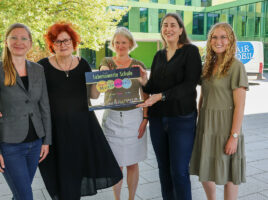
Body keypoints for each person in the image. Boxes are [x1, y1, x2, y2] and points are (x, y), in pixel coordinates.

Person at [37, 22, 122, 200]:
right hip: (56, 130)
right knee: (61, 175)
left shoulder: (83, 64)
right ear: (52, 44)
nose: (63, 45)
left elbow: (93, 94)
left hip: (82, 127)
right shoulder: (42, 66)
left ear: (73, 42)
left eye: (66, 40)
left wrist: (102, 82)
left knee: (76, 171)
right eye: (58, 41)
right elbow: (32, 95)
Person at [0, 23, 52, 200]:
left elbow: (44, 107)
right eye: (14, 37)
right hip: (9, 145)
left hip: (35, 143)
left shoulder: (38, 69)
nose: (18, 42)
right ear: (6, 41)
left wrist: (46, 141)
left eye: (23, 38)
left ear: (30, 43)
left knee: (20, 193)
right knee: (25, 196)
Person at [137, 13, 202, 200]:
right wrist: (144, 80)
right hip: (158, 120)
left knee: (179, 172)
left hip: (181, 119)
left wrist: (161, 96)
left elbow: (189, 85)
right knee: (164, 171)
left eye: (173, 25)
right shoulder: (158, 55)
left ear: (181, 29)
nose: (168, 29)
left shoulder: (190, 52)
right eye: (165, 25)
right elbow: (152, 88)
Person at [190, 22, 248, 200]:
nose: (218, 41)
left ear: (230, 40)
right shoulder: (208, 65)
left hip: (226, 127)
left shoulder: (236, 66)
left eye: (223, 37)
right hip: (206, 125)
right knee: (205, 169)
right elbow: (203, 96)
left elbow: (240, 105)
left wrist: (234, 136)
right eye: (214, 37)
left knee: (230, 174)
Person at [99, 27, 148, 200]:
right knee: (116, 164)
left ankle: (131, 198)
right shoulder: (107, 62)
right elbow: (103, 71)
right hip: (112, 117)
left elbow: (145, 92)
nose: (120, 45)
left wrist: (145, 118)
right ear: (113, 44)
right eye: (117, 42)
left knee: (133, 163)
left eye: (124, 42)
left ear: (130, 44)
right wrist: (103, 73)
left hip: (134, 118)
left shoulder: (138, 65)